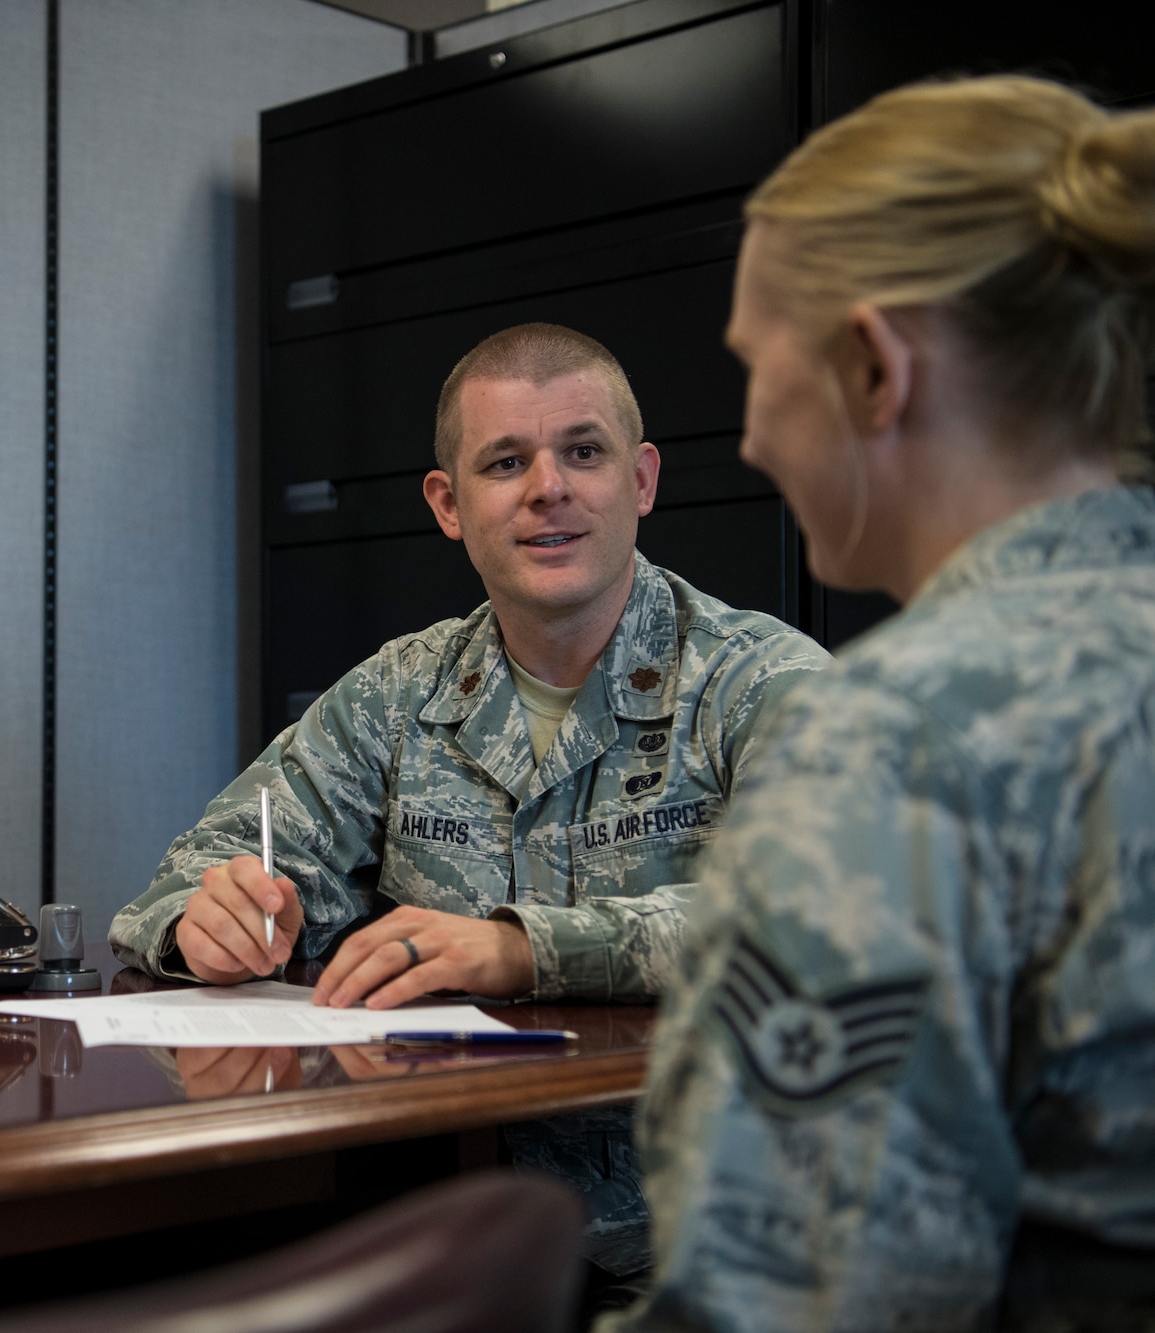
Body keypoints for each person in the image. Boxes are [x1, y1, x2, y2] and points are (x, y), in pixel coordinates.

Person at [602, 76, 1155, 1331]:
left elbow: (785, 1307)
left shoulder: (888, 745)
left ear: (872, 370)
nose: (755, 437)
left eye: (753, 367)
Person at [110, 322, 829, 1275]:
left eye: (583, 451)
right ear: (449, 504)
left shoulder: (761, 680)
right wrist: (213, 919)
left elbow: (827, 911)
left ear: (643, 480)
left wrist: (521, 948)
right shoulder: (397, 693)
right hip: (448, 1236)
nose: (549, 488)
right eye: (505, 461)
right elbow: (199, 868)